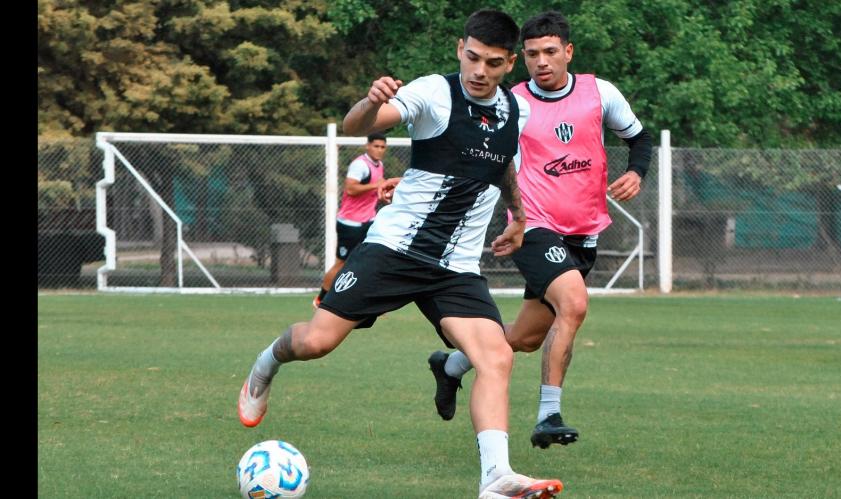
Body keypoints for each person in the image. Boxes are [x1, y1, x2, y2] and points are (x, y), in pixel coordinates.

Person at [238, 8, 564, 499]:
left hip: (454, 267)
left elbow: (504, 168)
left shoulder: (516, 112)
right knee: (316, 343)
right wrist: (370, 104)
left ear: (509, 64)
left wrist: (518, 218)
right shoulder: (434, 92)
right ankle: (265, 365)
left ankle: (495, 478)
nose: (479, 71)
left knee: (496, 356)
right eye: (472, 58)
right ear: (460, 49)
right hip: (394, 249)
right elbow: (356, 126)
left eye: (493, 63)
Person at [427, 10, 653, 450]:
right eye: (531, 55)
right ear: (521, 59)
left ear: (568, 52)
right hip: (532, 226)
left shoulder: (600, 93)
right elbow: (474, 151)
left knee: (527, 338)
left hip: (583, 232)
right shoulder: (512, 103)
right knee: (575, 302)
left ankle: (451, 366)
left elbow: (638, 139)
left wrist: (637, 172)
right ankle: (549, 413)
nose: (541, 62)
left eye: (550, 52)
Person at [313, 132, 388, 308]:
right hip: (350, 222)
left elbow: (373, 191)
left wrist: (383, 194)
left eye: (382, 147)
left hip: (369, 220)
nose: (379, 150)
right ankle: (321, 299)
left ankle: (365, 299)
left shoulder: (379, 165)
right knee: (342, 262)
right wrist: (376, 185)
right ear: (367, 146)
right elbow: (351, 189)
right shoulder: (360, 165)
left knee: (371, 258)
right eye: (376, 146)